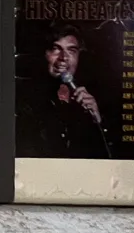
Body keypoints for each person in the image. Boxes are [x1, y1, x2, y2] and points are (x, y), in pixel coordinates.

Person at [15, 23, 112, 158]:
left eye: (71, 50)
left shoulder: (86, 99)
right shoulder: (23, 96)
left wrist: (98, 121)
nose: (64, 57)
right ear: (44, 53)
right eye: (55, 49)